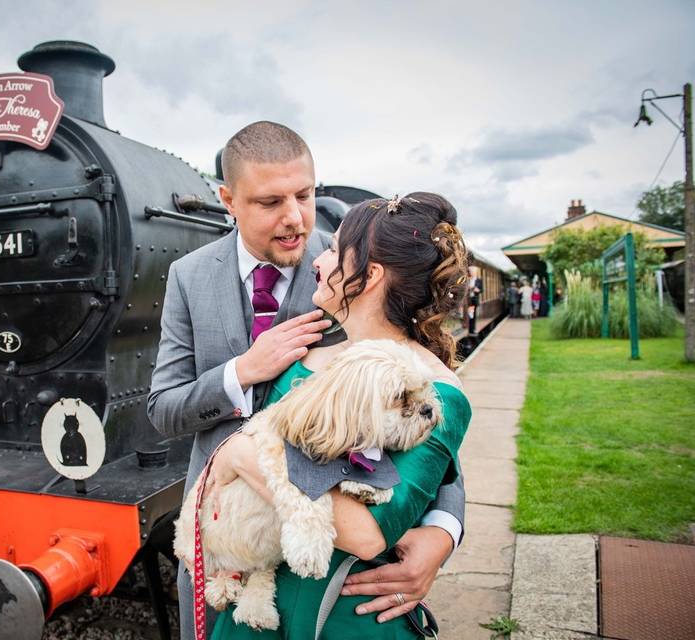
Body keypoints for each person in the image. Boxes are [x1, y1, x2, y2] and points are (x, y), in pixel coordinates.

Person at [148, 121, 464, 639]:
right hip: (227, 536)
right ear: (228, 199)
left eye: (305, 194)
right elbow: (163, 408)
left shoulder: (355, 269)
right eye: (270, 202)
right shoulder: (189, 275)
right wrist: (243, 371)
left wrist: (442, 531)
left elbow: (431, 413)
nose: (294, 217)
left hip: (332, 560)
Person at [207, 194, 472, 639]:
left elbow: (367, 532)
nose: (320, 255)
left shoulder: (437, 391)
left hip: (342, 610)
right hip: (255, 599)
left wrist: (239, 454)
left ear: (369, 275)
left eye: (333, 250)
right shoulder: (300, 357)